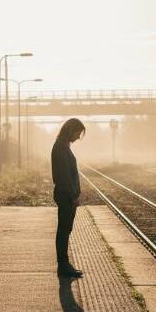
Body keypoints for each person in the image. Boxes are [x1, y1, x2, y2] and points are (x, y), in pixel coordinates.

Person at [51, 118, 85, 278]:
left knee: (65, 230)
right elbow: (64, 176)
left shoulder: (63, 146)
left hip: (67, 195)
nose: (78, 137)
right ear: (70, 130)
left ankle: (64, 265)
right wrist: (73, 196)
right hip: (66, 196)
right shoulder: (61, 147)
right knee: (64, 230)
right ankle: (63, 266)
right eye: (78, 133)